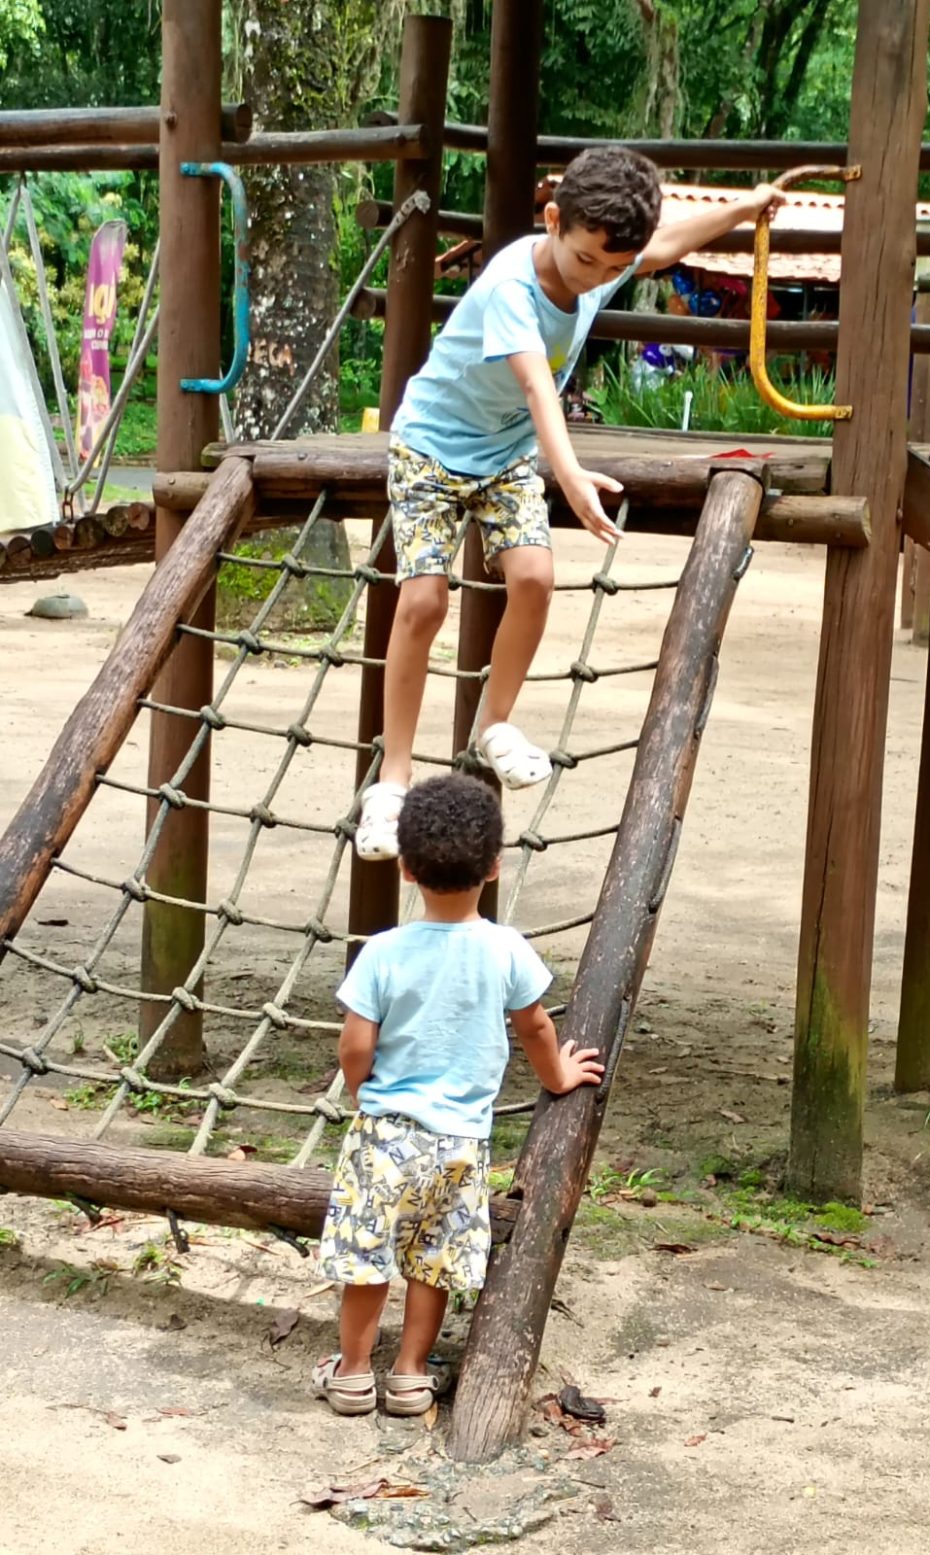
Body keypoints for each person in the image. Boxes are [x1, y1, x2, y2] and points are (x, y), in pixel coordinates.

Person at [356, 146, 784, 859]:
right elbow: (536, 387)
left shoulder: (602, 266)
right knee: (424, 603)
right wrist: (572, 475)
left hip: (503, 455)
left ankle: (494, 725)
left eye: (614, 268)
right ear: (553, 220)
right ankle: (392, 781)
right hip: (430, 447)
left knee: (534, 578)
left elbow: (664, 245)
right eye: (587, 260)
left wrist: (745, 205)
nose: (598, 277)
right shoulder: (512, 287)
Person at [312, 773, 604, 1416]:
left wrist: (362, 1090)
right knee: (434, 1258)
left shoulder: (382, 952)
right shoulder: (506, 948)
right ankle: (411, 1375)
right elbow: (536, 1026)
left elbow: (354, 1044)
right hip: (460, 1141)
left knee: (367, 1255)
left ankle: (354, 1373)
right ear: (495, 866)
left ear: (406, 869)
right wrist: (558, 1077)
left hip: (383, 1133)